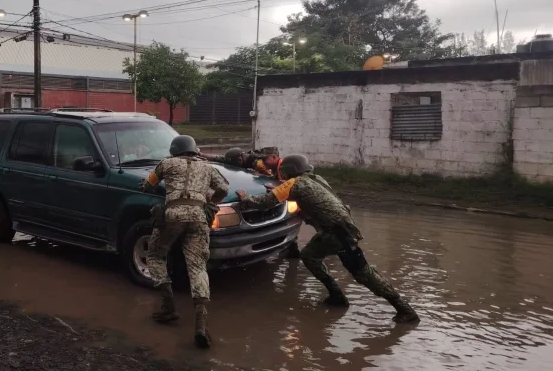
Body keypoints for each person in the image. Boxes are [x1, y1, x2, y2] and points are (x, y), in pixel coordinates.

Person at [235, 154, 419, 323]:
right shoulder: (316, 179)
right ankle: (337, 296)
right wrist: (279, 190)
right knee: (313, 257)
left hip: (336, 233)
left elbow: (264, 203)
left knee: (363, 273)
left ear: (287, 171)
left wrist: (246, 198)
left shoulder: (294, 184)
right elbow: (304, 195)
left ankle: (404, 310)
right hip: (343, 228)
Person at [139, 135, 229, 348]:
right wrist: (211, 200)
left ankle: (168, 307)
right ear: (195, 150)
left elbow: (148, 185)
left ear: (174, 150)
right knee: (197, 267)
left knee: (155, 255)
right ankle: (201, 325)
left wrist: (147, 186)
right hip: (198, 217)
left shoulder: (167, 163)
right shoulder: (207, 167)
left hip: (173, 215)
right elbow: (224, 188)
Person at [202, 147, 280, 177]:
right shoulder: (244, 158)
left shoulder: (260, 162)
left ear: (239, 159)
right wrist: (201, 154)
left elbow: (271, 179)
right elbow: (221, 159)